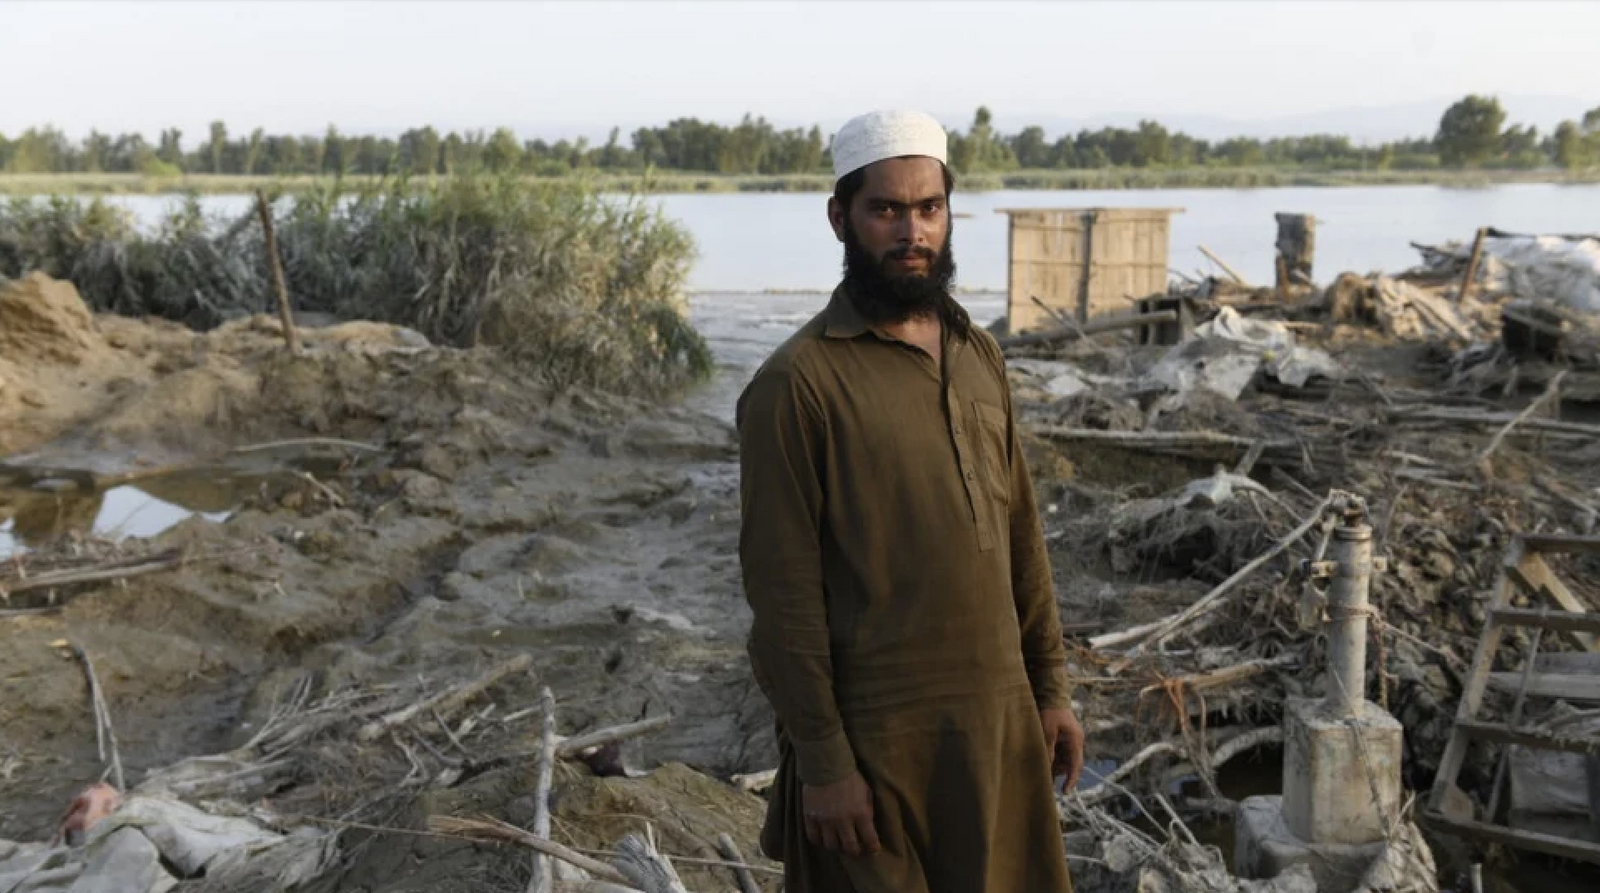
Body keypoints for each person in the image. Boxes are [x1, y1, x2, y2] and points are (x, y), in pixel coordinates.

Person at [735, 109, 1083, 893]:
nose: (911, 231)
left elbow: (1021, 531)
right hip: (875, 752)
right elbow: (781, 595)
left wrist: (1050, 689)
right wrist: (824, 762)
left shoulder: (977, 353)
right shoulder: (797, 386)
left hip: (998, 732)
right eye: (886, 209)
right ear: (840, 217)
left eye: (929, 208)